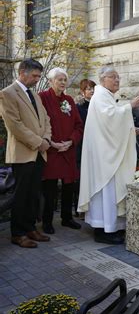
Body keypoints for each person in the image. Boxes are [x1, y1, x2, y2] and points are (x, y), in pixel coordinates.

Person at [77, 66, 139, 244]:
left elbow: (112, 124)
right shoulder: (99, 96)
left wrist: (130, 130)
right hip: (103, 156)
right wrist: (130, 105)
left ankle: (112, 227)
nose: (117, 80)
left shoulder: (106, 96)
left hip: (107, 152)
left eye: (118, 77)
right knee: (105, 190)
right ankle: (103, 230)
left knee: (110, 192)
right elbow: (110, 117)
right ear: (102, 79)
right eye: (113, 77)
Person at [0, 59, 52, 248]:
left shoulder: (34, 94)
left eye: (39, 76)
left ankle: (30, 228)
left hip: (39, 152)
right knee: (21, 195)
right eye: (35, 76)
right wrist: (39, 142)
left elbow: (45, 118)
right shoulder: (7, 94)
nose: (37, 79)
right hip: (23, 153)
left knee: (33, 193)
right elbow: (14, 125)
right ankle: (18, 233)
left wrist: (46, 139)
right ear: (22, 72)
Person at [38, 68, 83, 234]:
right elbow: (39, 125)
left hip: (68, 150)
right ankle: (47, 221)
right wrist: (53, 143)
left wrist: (71, 140)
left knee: (68, 186)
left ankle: (67, 218)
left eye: (65, 79)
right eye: (59, 79)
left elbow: (79, 125)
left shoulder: (69, 100)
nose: (63, 82)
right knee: (49, 188)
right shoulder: (42, 98)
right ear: (50, 81)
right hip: (51, 150)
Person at [73, 79, 96, 216]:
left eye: (93, 88)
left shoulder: (98, 105)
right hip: (82, 146)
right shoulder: (79, 107)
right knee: (81, 178)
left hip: (95, 147)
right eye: (88, 89)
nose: (91, 91)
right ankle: (79, 208)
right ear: (83, 92)